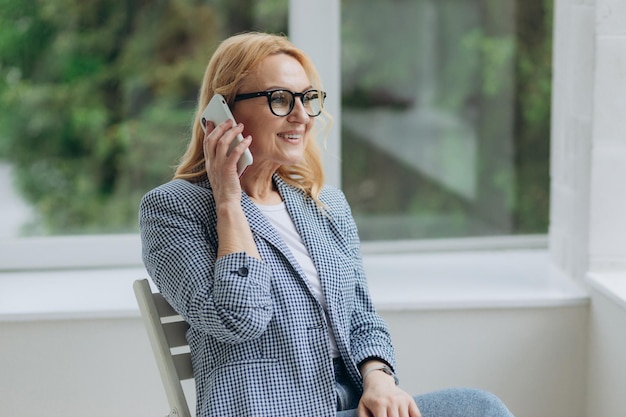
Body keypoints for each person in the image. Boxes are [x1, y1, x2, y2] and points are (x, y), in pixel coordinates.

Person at [139, 32, 515, 417]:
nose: (302, 116)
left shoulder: (325, 204)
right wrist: (228, 200)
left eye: (307, 98)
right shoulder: (172, 209)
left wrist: (379, 378)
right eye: (281, 99)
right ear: (224, 112)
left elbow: (362, 318)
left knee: (480, 408)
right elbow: (240, 318)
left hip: (349, 407)